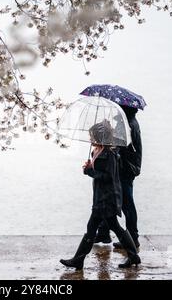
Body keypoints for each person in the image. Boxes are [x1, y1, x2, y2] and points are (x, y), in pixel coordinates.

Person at [59, 121, 141, 270]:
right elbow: (99, 172)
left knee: (95, 227)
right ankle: (133, 256)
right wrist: (90, 167)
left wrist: (90, 171)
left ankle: (78, 260)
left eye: (92, 136)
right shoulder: (97, 150)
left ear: (99, 136)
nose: (90, 138)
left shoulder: (109, 154)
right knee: (113, 227)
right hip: (100, 197)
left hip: (106, 198)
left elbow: (108, 177)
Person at [95, 105, 142, 249]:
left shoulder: (128, 124)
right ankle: (104, 232)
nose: (116, 110)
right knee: (109, 198)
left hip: (126, 168)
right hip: (126, 166)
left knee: (127, 204)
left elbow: (119, 144)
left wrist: (106, 133)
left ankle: (133, 238)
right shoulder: (127, 122)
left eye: (119, 108)